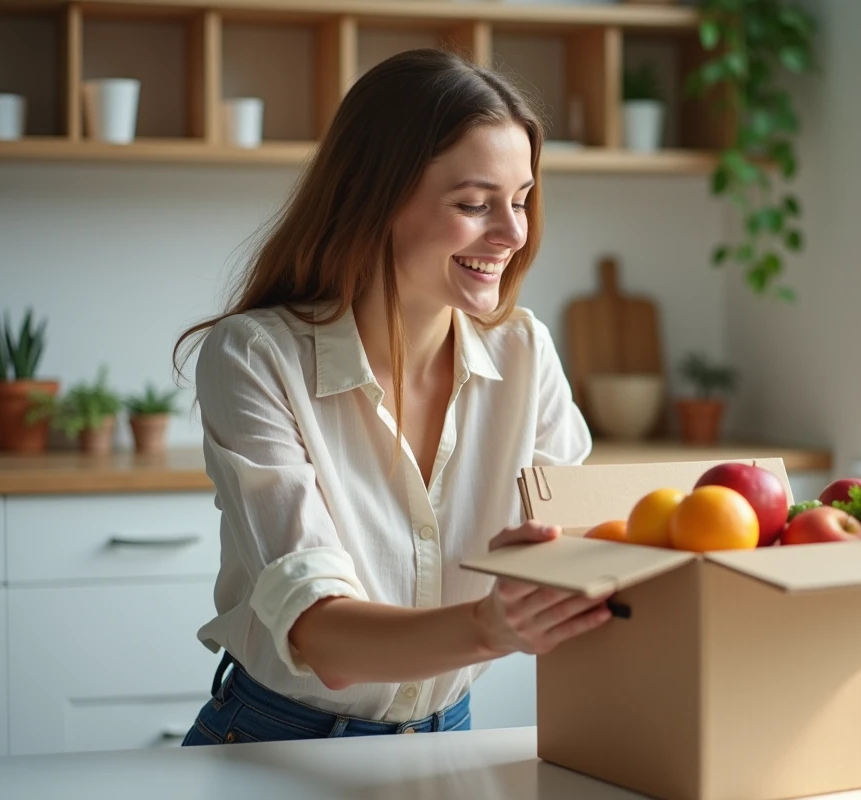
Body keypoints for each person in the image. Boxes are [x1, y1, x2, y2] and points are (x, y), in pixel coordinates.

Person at [174, 48, 612, 746]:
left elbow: (594, 551)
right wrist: (487, 625)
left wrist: (563, 565)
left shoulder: (524, 352)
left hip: (448, 738)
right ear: (374, 196)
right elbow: (321, 634)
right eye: (474, 204)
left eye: (521, 200)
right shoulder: (258, 356)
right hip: (277, 745)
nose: (512, 233)